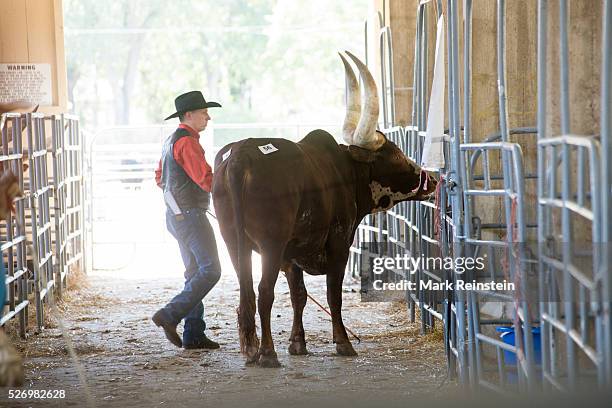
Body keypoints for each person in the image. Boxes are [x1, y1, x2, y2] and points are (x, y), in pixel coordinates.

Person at [153, 91, 222, 349]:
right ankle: (170, 314)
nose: (208, 117)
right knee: (211, 270)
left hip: (175, 216)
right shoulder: (188, 143)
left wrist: (177, 197)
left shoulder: (171, 141)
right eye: (204, 113)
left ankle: (193, 334)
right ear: (189, 115)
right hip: (191, 215)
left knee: (194, 272)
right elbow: (205, 179)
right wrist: (233, 191)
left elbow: (160, 177)